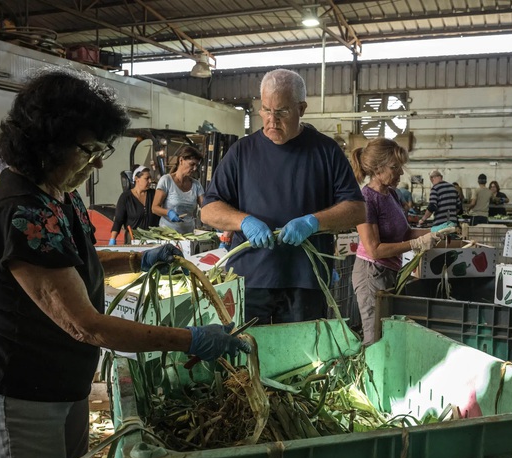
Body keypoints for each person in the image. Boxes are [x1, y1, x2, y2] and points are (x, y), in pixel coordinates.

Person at [0, 69, 250, 458]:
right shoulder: (19, 211)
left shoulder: (58, 196)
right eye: (90, 149)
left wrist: (136, 261)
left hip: (63, 384)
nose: (100, 161)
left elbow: (73, 263)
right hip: (23, 392)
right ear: (48, 142)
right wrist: (189, 339)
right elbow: (86, 325)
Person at [201, 68, 365, 324]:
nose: (271, 120)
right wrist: (243, 221)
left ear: (301, 108)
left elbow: (356, 209)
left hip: (305, 282)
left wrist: (313, 222)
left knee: (303, 358)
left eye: (282, 111)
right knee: (247, 355)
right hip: (250, 280)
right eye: (266, 109)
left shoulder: (325, 151)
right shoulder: (242, 152)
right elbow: (209, 208)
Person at [349, 138, 441, 345]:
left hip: (390, 272)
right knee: (374, 337)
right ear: (377, 168)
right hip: (371, 274)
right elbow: (374, 250)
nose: (400, 172)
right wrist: (417, 244)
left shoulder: (392, 194)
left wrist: (433, 232)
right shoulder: (367, 199)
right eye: (395, 167)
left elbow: (405, 233)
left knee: (389, 334)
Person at [152, 145, 205, 235]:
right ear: (181, 160)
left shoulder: (196, 185)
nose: (195, 169)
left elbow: (205, 207)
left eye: (197, 165)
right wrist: (168, 212)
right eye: (192, 164)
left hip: (188, 235)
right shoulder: (166, 180)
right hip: (168, 234)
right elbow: (154, 208)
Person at [108, 165, 160, 244]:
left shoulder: (154, 194)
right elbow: (118, 221)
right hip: (133, 240)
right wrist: (112, 239)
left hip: (152, 239)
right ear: (136, 179)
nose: (150, 181)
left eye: (150, 178)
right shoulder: (126, 197)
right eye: (147, 178)